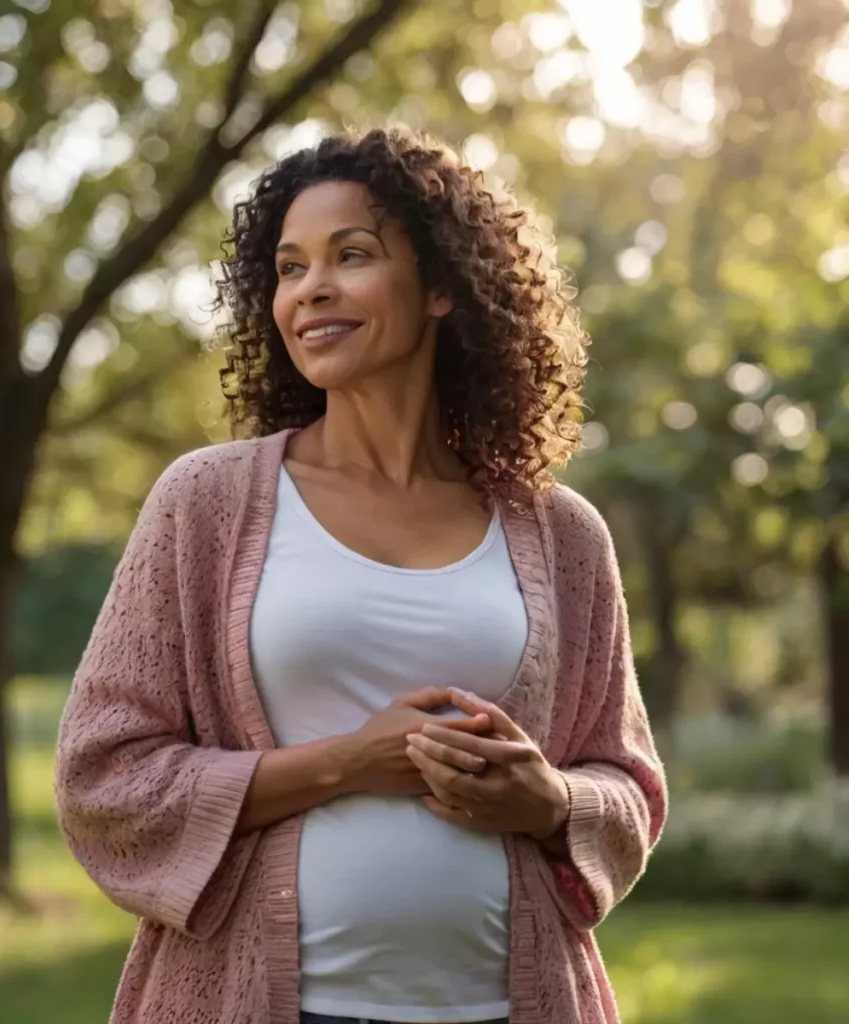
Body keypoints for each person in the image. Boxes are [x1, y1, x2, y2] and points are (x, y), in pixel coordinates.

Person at [54, 125, 668, 1024]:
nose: (312, 290)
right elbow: (104, 773)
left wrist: (551, 800)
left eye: (352, 255)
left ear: (443, 287)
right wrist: (349, 761)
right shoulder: (207, 504)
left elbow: (627, 784)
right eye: (291, 267)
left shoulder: (560, 534)